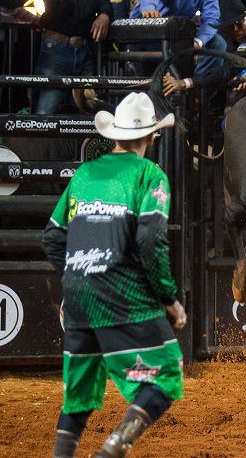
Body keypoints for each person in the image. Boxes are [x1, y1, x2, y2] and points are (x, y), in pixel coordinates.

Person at [43, 91, 186, 458]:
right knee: (167, 372)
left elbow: (53, 236)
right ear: (152, 136)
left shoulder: (85, 173)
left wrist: (76, 274)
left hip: (77, 294)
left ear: (116, 134)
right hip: (123, 292)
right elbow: (151, 239)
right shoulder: (149, 175)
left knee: (78, 393)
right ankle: (110, 451)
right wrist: (168, 298)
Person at [34, 0, 110, 115]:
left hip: (84, 50)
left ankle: (79, 147)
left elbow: (104, 2)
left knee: (87, 111)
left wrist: (104, 15)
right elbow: (52, 3)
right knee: (46, 112)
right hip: (56, 48)